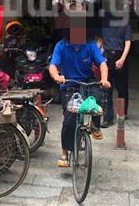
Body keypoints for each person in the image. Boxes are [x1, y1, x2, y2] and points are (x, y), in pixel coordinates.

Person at [49, 14, 110, 168]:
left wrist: (104, 79)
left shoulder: (90, 45)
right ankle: (65, 153)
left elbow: (102, 64)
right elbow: (53, 66)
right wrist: (57, 76)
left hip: (87, 80)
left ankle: (95, 125)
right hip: (69, 83)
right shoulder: (61, 45)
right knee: (69, 120)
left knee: (98, 99)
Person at [101, 9, 132, 127]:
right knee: (106, 87)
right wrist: (97, 56)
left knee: (121, 88)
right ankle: (108, 118)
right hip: (107, 57)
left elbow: (128, 42)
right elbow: (100, 40)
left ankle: (122, 113)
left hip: (120, 56)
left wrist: (122, 59)